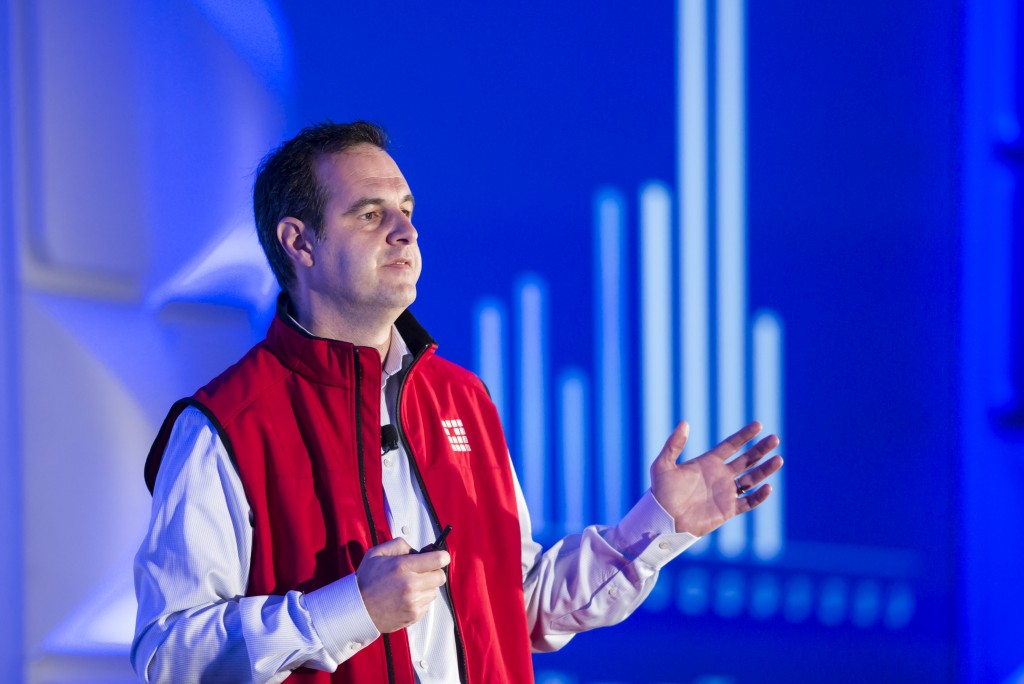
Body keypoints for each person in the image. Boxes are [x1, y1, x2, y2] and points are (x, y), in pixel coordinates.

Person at [131, 121, 783, 684]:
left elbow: (524, 606)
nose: (405, 231)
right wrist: (351, 609)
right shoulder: (227, 424)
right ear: (299, 243)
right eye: (369, 213)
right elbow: (169, 657)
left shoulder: (463, 399)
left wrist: (658, 522)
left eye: (408, 209)